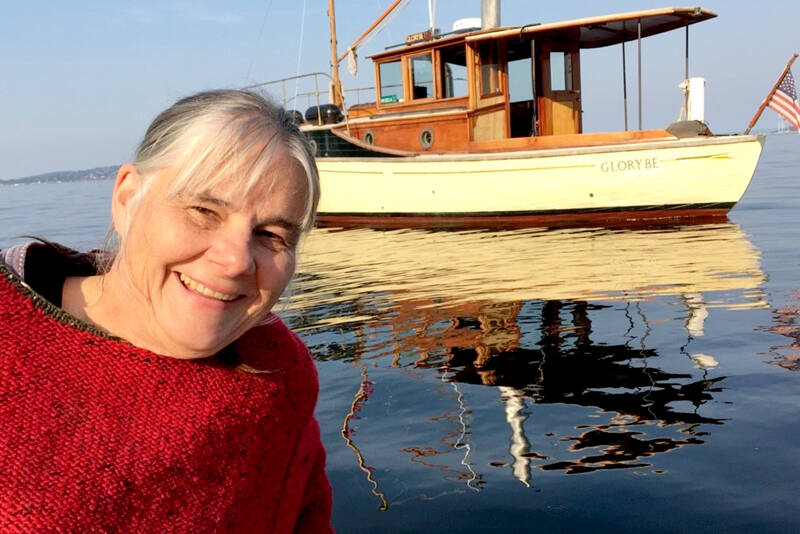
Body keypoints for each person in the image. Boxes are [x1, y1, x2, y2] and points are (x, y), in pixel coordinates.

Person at [0, 90, 333, 533]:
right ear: (127, 198)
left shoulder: (277, 375)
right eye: (204, 210)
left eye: (271, 235)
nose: (236, 261)